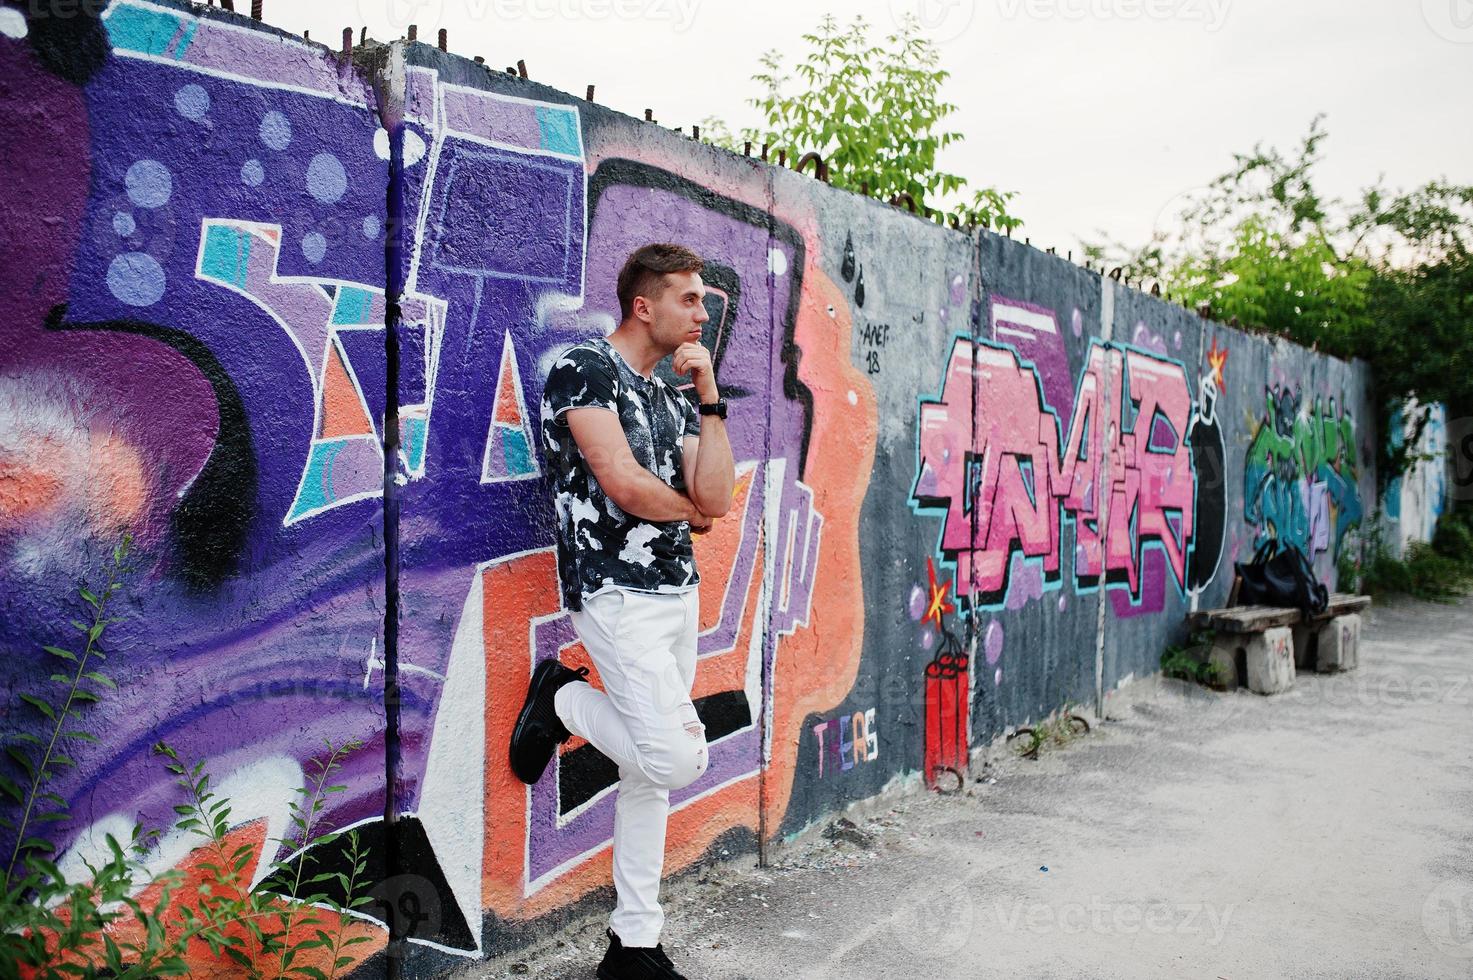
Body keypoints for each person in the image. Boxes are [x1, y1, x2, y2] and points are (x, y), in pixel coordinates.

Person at [510, 243, 735, 980]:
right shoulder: (585, 370)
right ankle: (563, 697)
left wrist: (707, 395)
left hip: (676, 593)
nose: (702, 313)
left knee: (646, 778)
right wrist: (691, 517)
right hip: (613, 593)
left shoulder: (672, 395)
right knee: (675, 758)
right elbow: (623, 484)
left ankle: (633, 944)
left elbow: (718, 495)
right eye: (690, 299)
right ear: (645, 305)